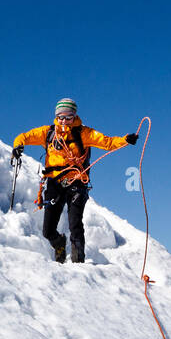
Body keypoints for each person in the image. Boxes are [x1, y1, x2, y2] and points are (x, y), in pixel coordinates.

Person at [11, 98, 138, 263]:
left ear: (74, 116)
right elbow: (24, 136)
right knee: (48, 231)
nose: (64, 120)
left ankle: (79, 262)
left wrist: (125, 140)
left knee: (75, 223)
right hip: (54, 183)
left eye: (68, 117)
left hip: (77, 183)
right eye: (60, 117)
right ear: (56, 116)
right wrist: (18, 146)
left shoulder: (84, 133)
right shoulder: (48, 133)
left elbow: (107, 143)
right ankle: (59, 244)